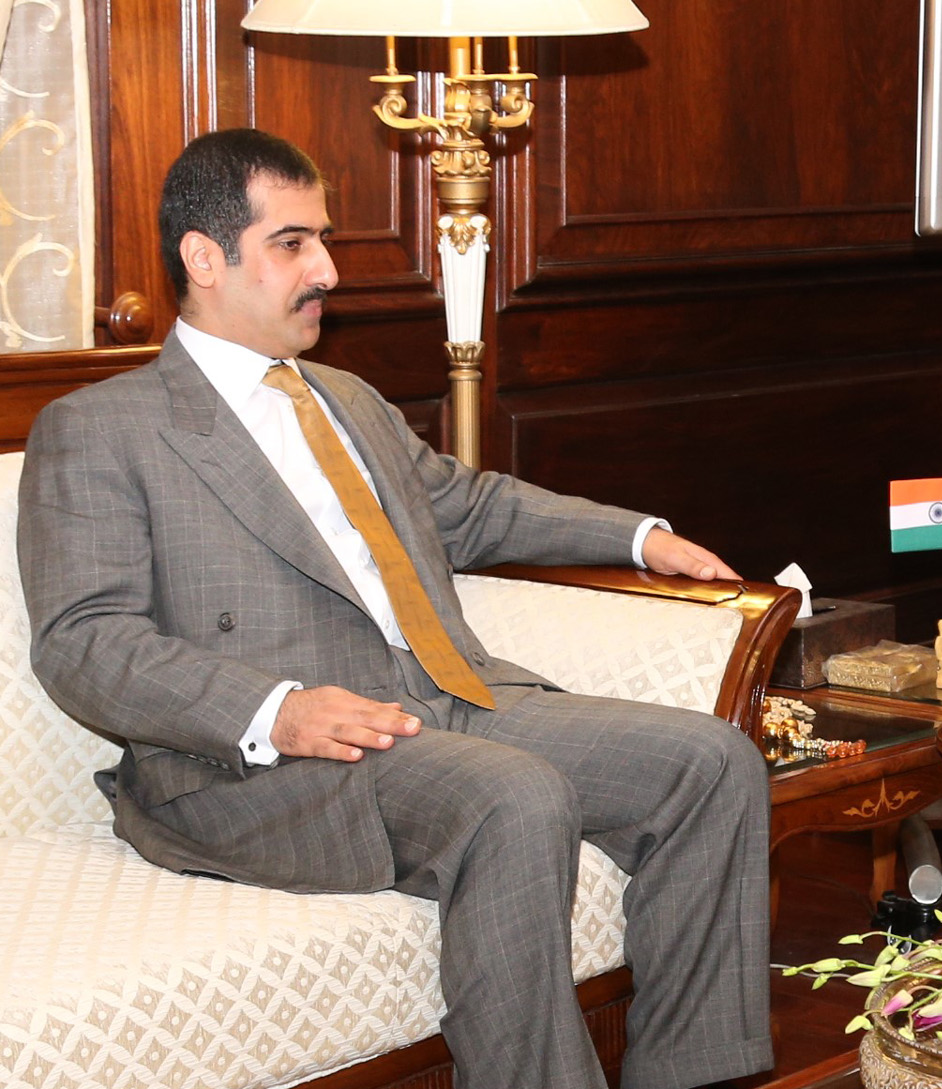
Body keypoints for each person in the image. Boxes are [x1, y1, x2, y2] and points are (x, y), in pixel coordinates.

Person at [17, 129, 770, 1089]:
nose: (327, 268)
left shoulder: (346, 398)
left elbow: (467, 505)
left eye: (323, 240)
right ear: (205, 258)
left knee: (712, 762)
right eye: (293, 243)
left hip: (442, 697)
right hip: (260, 764)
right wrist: (277, 708)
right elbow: (85, 642)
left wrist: (638, 538)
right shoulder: (100, 429)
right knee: (513, 794)